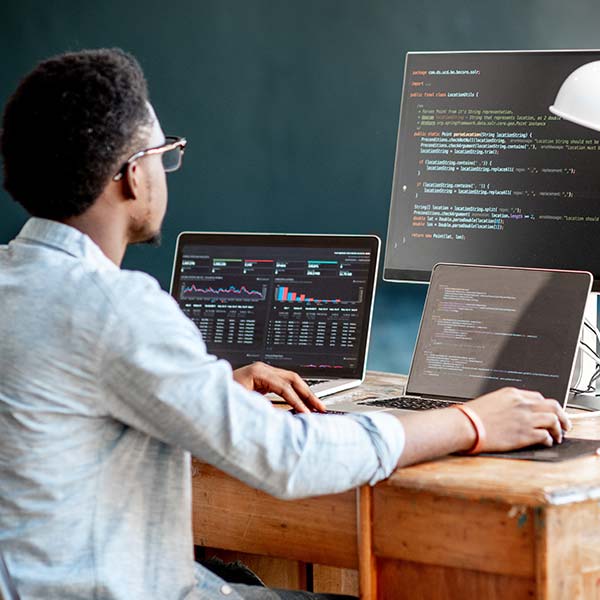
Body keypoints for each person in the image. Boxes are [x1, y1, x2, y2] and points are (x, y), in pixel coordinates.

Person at [0, 48, 570, 600]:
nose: (165, 167)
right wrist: (471, 421)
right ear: (130, 177)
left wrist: (212, 393)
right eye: (163, 153)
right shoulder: (115, 306)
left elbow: (65, 406)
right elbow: (286, 457)